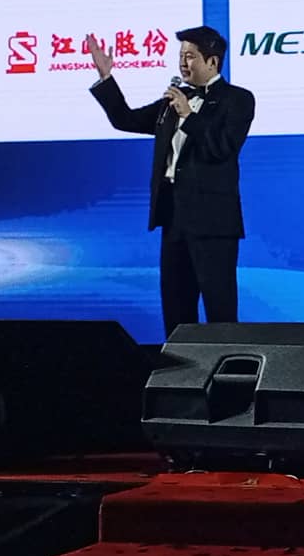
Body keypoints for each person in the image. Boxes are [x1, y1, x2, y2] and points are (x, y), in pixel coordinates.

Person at [86, 26, 255, 340]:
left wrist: (189, 116)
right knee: (176, 310)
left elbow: (221, 149)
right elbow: (125, 119)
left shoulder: (237, 99)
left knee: (219, 309)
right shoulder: (172, 102)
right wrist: (106, 77)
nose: (182, 63)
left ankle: (226, 368)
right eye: (180, 56)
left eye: (190, 56)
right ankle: (179, 368)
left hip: (213, 223)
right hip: (173, 218)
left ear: (212, 62)